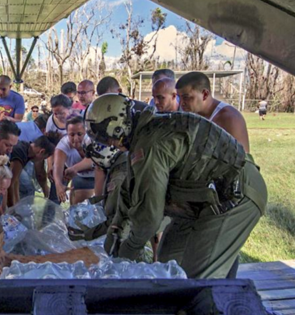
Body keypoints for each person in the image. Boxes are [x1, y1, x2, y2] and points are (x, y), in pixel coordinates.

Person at [84, 93, 268, 278]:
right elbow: (129, 191)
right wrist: (115, 231)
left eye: (106, 139)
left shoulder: (150, 144)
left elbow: (149, 215)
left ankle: (219, 302)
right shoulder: (143, 135)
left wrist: (125, 253)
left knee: (197, 284)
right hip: (202, 200)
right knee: (168, 262)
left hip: (234, 195)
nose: (111, 146)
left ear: (116, 129)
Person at [177, 71, 250, 152]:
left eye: (186, 97)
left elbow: (243, 161)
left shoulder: (230, 118)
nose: (181, 103)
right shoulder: (190, 115)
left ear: (205, 94)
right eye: (179, 98)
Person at [53, 116, 97, 205]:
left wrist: (74, 168)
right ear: (67, 134)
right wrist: (58, 184)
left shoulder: (92, 140)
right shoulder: (63, 145)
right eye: (72, 135)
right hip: (81, 177)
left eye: (79, 134)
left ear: (86, 132)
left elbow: (92, 159)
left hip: (100, 174)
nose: (76, 139)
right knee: (77, 208)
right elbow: (57, 167)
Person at [7, 134, 57, 207]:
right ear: (41, 152)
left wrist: (17, 203)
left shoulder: (26, 149)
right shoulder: (21, 152)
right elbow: (11, 183)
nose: (41, 160)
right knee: (28, 188)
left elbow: (16, 180)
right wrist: (12, 208)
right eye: (43, 158)